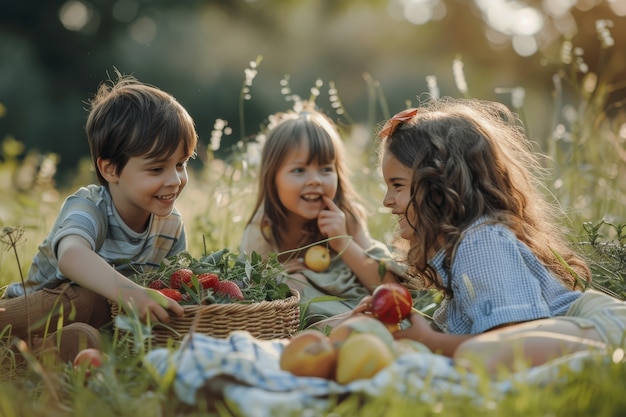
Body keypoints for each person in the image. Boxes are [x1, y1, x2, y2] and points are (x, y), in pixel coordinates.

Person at [354, 97, 626, 375]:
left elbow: (509, 344)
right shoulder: (461, 250)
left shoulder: (480, 243)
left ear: (441, 186)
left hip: (605, 331)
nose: (387, 201)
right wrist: (401, 326)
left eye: (397, 185)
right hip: (572, 335)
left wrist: (428, 341)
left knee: (480, 356)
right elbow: (479, 338)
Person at [0, 73, 195, 362]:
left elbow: (169, 288)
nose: (175, 180)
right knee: (89, 297)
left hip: (89, 324)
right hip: (29, 312)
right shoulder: (89, 206)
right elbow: (72, 256)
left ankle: (22, 356)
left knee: (88, 338)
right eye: (156, 169)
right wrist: (130, 292)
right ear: (110, 170)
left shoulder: (171, 226)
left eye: (180, 164)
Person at [240, 104, 411, 326]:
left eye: (326, 169)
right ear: (272, 178)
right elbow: (252, 298)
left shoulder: (346, 217)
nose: (315, 180)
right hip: (314, 321)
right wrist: (278, 275)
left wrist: (343, 243)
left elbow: (388, 286)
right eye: (299, 170)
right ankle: (346, 326)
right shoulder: (263, 230)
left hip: (361, 304)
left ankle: (364, 325)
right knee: (291, 281)